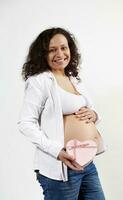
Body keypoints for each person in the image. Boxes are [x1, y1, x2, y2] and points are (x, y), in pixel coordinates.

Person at [17, 27, 106, 200]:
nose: (60, 53)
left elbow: (91, 110)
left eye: (64, 48)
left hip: (87, 164)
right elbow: (26, 123)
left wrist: (94, 115)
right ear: (42, 54)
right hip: (61, 167)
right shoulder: (40, 81)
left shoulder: (73, 79)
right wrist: (57, 151)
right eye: (52, 50)